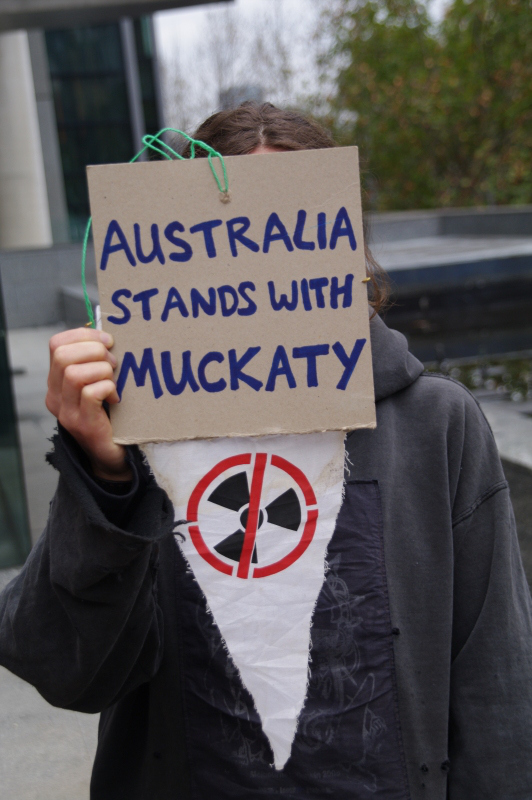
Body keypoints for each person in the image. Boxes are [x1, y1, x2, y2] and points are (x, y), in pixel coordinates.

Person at [1, 102, 532, 800]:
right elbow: (67, 667)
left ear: (345, 253)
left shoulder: (438, 428)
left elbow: (497, 691)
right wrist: (102, 476)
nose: (255, 277)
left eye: (279, 234)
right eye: (228, 238)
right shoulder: (134, 435)